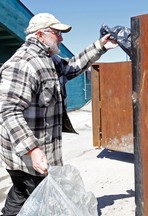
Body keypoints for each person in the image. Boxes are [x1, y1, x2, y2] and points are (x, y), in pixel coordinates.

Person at [0, 13, 118, 216]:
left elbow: (72, 66)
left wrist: (100, 46)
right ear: (40, 35)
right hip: (28, 157)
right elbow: (8, 110)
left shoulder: (49, 60)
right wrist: (33, 150)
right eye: (57, 34)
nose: (62, 39)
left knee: (21, 194)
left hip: (35, 154)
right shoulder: (23, 63)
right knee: (44, 201)